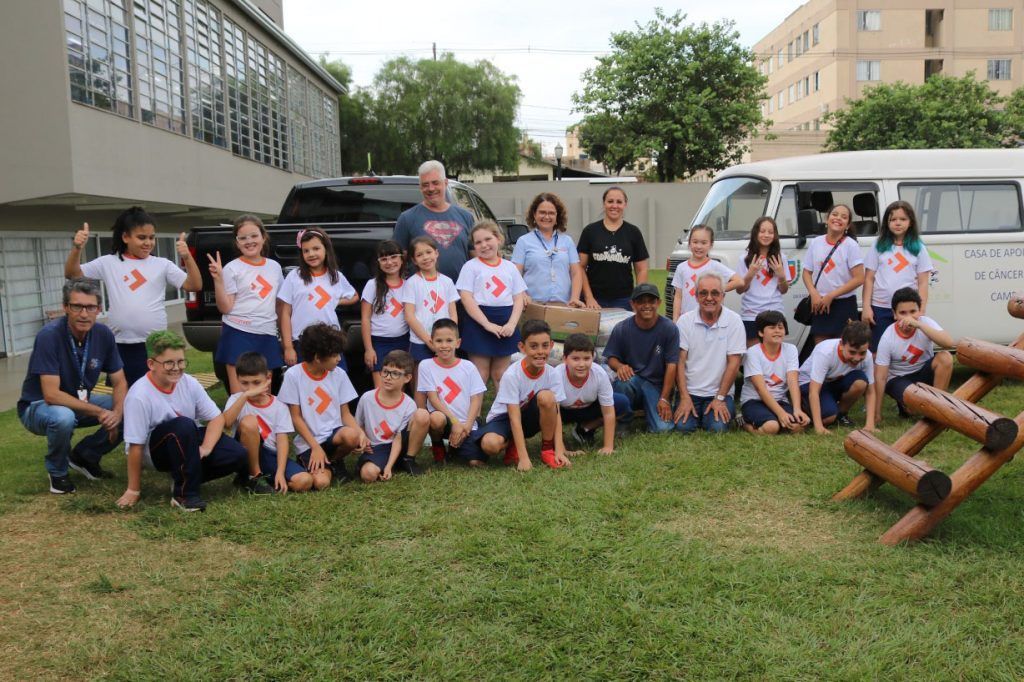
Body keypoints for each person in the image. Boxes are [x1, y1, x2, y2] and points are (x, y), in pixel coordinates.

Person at [65, 207, 202, 385]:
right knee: (124, 393)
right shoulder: (108, 262)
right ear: (125, 237)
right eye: (141, 237)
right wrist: (77, 248)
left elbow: (194, 285)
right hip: (121, 343)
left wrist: (187, 257)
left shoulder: (162, 265)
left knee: (159, 389)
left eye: (152, 238)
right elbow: (72, 274)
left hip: (155, 344)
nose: (148, 242)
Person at [116, 331, 250, 512]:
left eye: (180, 361)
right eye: (169, 362)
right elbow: (135, 446)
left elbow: (217, 418)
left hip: (186, 438)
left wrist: (207, 448)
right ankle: (185, 496)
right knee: (184, 424)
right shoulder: (138, 395)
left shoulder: (189, 382)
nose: (176, 368)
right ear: (151, 364)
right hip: (156, 451)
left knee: (237, 454)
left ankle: (181, 477)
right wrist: (133, 489)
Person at [18, 278, 126, 494]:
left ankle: (85, 456)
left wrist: (116, 413)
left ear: (99, 309)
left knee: (131, 405)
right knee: (63, 417)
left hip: (79, 401)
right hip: (38, 406)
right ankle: (57, 474)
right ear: (65, 307)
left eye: (90, 307)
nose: (84, 314)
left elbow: (120, 380)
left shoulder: (103, 334)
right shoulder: (49, 336)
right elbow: (51, 395)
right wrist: (102, 412)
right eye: (77, 306)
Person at [278, 323, 371, 488]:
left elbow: (345, 414)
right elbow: (295, 418)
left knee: (351, 435)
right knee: (321, 483)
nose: (339, 359)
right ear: (317, 358)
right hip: (309, 442)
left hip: (333, 436)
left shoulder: (339, 374)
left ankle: (334, 462)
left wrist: (360, 434)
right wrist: (315, 447)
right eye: (335, 355)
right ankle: (314, 462)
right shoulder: (294, 375)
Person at [473, 320, 570, 470]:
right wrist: (524, 458)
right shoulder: (512, 374)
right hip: (505, 418)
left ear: (551, 345)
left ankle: (547, 450)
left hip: (529, 418)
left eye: (545, 346)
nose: (540, 351)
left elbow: (556, 414)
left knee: (547, 397)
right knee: (490, 445)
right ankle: (511, 445)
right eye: (533, 346)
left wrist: (559, 451)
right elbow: (514, 417)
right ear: (522, 347)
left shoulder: (552, 373)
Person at [208, 214, 284, 394]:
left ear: (263, 237)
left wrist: (284, 339)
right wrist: (218, 280)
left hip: (266, 332)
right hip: (237, 332)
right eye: (243, 238)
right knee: (240, 395)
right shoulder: (232, 268)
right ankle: (242, 423)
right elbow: (225, 307)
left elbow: (279, 304)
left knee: (264, 393)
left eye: (254, 236)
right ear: (237, 242)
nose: (249, 241)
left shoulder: (274, 267)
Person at [222, 351, 312, 494]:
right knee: (249, 421)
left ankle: (255, 478)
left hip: (270, 455)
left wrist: (280, 472)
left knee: (304, 481)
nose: (251, 388)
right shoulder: (236, 399)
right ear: (237, 380)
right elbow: (226, 423)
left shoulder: (279, 406)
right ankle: (254, 476)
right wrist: (245, 396)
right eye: (244, 383)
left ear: (268, 378)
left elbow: (282, 441)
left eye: (256, 382)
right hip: (243, 452)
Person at [457, 220, 528, 387]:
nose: (484, 245)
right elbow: (466, 298)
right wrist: (486, 324)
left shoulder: (509, 267)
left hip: (505, 322)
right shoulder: (470, 267)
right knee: (479, 374)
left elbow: (518, 298)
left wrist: (511, 324)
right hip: (479, 322)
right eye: (478, 242)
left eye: (488, 239)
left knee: (501, 374)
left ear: (498, 239)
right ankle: (475, 413)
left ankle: (503, 412)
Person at [674, 273, 746, 434]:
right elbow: (679, 362)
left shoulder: (734, 321)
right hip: (690, 392)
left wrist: (720, 398)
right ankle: (693, 410)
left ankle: (718, 410)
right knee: (682, 428)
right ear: (696, 295)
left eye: (715, 293)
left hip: (718, 393)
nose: (709, 298)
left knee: (717, 428)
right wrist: (684, 397)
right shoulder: (684, 321)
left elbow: (734, 364)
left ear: (723, 296)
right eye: (703, 293)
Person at [603, 283, 680, 433]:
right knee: (623, 382)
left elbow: (672, 365)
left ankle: (651, 410)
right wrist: (620, 366)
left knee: (663, 429)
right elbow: (610, 357)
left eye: (651, 301)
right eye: (641, 301)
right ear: (632, 304)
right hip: (633, 381)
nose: (646, 305)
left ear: (658, 303)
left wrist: (664, 398)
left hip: (656, 385)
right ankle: (623, 421)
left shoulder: (669, 328)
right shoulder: (622, 328)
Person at [278, 228, 358, 368]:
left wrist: (336, 300)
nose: (311, 254)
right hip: (302, 341)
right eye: (306, 251)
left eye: (316, 248)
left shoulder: (335, 276)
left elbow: (354, 296)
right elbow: (285, 312)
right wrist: (288, 347)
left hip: (331, 341)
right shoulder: (294, 276)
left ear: (326, 249)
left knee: (334, 381)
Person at [873, 287, 954, 423]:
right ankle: (907, 405)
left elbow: (948, 343)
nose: (908, 317)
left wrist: (919, 325)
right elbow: (881, 377)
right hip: (899, 378)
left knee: (945, 357)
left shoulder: (925, 322)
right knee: (914, 410)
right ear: (894, 314)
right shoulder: (888, 337)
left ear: (919, 311)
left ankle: (939, 408)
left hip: (923, 372)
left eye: (912, 312)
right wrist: (877, 414)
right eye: (902, 313)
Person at [862, 201, 935, 352]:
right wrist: (866, 307)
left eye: (903, 219)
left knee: (903, 350)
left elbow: (922, 283)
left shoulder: (918, 248)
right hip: (880, 308)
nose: (898, 223)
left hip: (908, 310)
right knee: (878, 350)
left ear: (910, 222)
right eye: (893, 219)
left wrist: (920, 310)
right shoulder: (878, 244)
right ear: (886, 223)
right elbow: (868, 279)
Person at [416, 319, 486, 465]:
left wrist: (466, 425)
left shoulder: (469, 367)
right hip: (446, 420)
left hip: (467, 424)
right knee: (435, 418)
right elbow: (433, 399)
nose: (444, 345)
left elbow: (476, 399)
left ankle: (455, 448)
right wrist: (455, 422)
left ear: (458, 343)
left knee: (475, 463)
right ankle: (438, 446)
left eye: (449, 340)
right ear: (432, 342)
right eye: (439, 341)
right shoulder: (426, 366)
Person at [353, 350, 430, 483]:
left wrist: (388, 467)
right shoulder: (367, 398)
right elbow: (358, 425)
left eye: (395, 374)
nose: (388, 377)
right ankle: (382, 464)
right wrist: (361, 438)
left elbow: (398, 438)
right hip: (377, 448)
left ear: (407, 378)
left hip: (398, 445)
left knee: (422, 414)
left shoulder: (409, 404)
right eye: (385, 372)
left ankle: (407, 460)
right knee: (368, 475)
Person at [393, 160, 475, 281]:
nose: (431, 188)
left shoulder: (466, 217)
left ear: (445, 183)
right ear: (420, 187)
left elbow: (476, 257)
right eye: (425, 185)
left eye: (435, 183)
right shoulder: (407, 218)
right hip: (422, 296)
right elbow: (398, 261)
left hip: (461, 294)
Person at [798, 320, 877, 435]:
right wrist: (819, 427)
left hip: (833, 381)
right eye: (852, 352)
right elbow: (814, 391)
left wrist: (870, 425)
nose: (857, 358)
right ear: (841, 344)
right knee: (828, 418)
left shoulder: (868, 356)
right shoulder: (826, 352)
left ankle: (840, 415)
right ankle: (809, 412)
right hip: (808, 384)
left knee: (860, 382)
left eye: (862, 353)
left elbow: (870, 392)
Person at [577, 186, 650, 310]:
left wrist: (637, 297)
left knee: (622, 330)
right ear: (604, 203)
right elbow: (580, 267)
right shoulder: (590, 231)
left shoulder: (633, 232)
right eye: (610, 201)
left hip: (624, 299)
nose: (614, 206)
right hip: (594, 299)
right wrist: (588, 297)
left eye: (619, 202)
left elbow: (641, 269)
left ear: (625, 204)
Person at [802, 204, 865, 344]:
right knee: (821, 347)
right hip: (820, 303)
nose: (838, 218)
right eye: (835, 214)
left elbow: (860, 278)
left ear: (847, 225)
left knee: (843, 347)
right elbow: (806, 272)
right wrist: (813, 293)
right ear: (827, 219)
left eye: (844, 217)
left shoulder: (851, 245)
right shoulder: (816, 242)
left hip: (844, 304)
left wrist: (832, 295)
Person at [558, 333, 629, 454]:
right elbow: (553, 414)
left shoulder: (599, 374)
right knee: (544, 407)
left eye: (586, 358)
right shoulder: (556, 376)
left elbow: (608, 412)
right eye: (575, 359)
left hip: (588, 409)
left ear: (593, 357)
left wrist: (608, 447)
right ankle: (558, 441)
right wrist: (562, 450)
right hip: (562, 412)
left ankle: (585, 428)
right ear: (565, 359)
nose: (581, 364)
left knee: (622, 403)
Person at [739, 311, 808, 435]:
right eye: (772, 327)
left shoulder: (791, 349)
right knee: (772, 427)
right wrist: (781, 413)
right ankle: (743, 422)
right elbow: (760, 389)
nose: (777, 331)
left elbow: (792, 381)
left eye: (780, 327)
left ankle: (776, 418)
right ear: (761, 332)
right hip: (754, 400)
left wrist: (797, 409)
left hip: (780, 400)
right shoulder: (752, 352)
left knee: (798, 426)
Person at [511, 192, 583, 306]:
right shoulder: (523, 241)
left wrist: (574, 298)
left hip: (563, 305)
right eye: (542, 212)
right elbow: (515, 274)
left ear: (557, 217)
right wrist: (523, 295)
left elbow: (576, 273)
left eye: (551, 213)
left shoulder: (567, 241)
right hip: (533, 305)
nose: (547, 217)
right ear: (534, 214)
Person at [402, 235, 459, 365]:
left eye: (429, 252)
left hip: (445, 342)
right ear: (414, 260)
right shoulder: (412, 283)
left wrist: (451, 336)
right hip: (420, 341)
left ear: (436, 253)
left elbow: (453, 313)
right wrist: (429, 341)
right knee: (420, 379)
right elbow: (409, 316)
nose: (426, 257)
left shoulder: (447, 281)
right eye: (420, 255)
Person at [734, 217, 791, 346]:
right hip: (751, 314)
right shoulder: (744, 259)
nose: (766, 235)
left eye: (770, 232)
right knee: (754, 355)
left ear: (775, 235)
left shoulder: (781, 258)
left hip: (775, 312)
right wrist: (750, 273)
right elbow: (739, 290)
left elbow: (784, 290)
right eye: (762, 231)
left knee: (774, 355)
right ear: (755, 233)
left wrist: (781, 276)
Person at [361, 240, 409, 387]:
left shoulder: (409, 284)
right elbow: (365, 318)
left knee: (400, 386)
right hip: (379, 342)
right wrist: (369, 349)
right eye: (384, 259)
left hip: (403, 341)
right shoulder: (372, 285)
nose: (389, 262)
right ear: (378, 263)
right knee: (381, 388)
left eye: (393, 257)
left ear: (402, 258)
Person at [670, 224, 742, 322]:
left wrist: (717, 290)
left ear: (711, 244)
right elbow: (678, 296)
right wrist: (675, 319)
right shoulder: (681, 268)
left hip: (710, 319)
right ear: (689, 243)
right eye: (695, 242)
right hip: (687, 321)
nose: (699, 246)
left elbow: (739, 281)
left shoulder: (714, 266)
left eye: (704, 243)